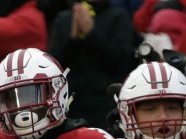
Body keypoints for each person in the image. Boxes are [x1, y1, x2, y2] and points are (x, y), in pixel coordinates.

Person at [48, 0, 135, 129]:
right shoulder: (64, 18)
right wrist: (73, 38)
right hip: (72, 103)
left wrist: (91, 33)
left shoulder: (118, 16)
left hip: (106, 102)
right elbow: (54, 64)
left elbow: (122, 60)